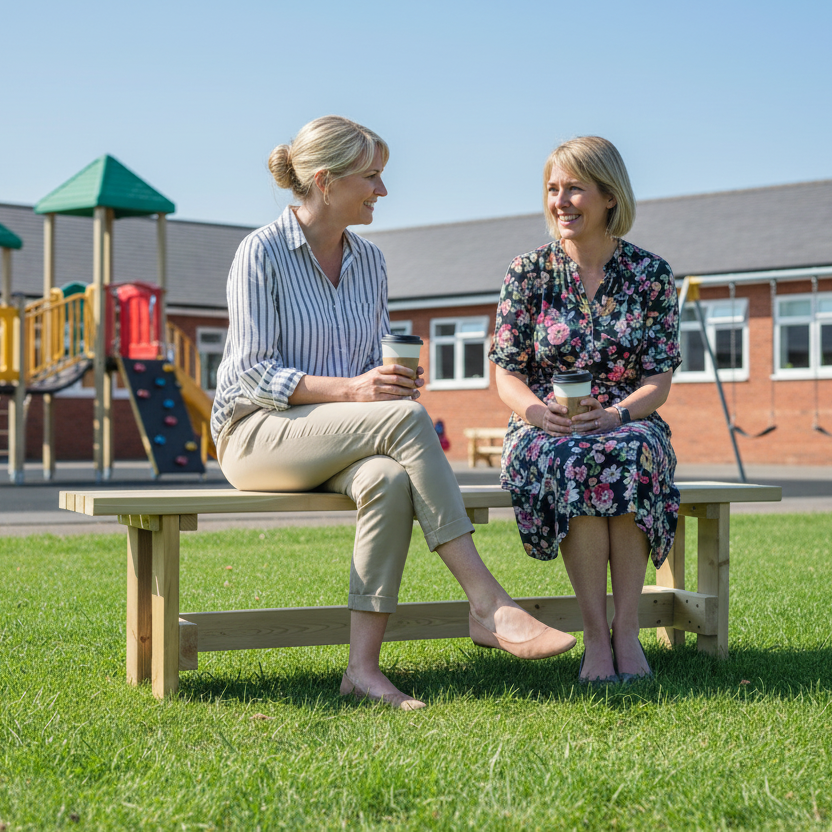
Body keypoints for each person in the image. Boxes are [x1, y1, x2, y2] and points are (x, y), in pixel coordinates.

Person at [211, 116, 576, 711]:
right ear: (326, 182)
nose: (382, 190)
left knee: (385, 478)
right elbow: (251, 373)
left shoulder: (371, 262)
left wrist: (388, 382)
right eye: (372, 177)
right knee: (407, 422)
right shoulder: (261, 252)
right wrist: (358, 392)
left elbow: (368, 371)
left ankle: (362, 671)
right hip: (253, 434)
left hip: (335, 440)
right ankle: (488, 603)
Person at [489, 136, 682, 685]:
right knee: (575, 457)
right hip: (544, 426)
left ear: (609, 196)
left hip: (628, 421)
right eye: (553, 188)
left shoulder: (651, 275)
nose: (560, 201)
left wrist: (619, 414)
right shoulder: (526, 273)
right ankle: (596, 637)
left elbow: (658, 378)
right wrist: (535, 413)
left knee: (629, 452)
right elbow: (506, 371)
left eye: (574, 188)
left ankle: (627, 631)